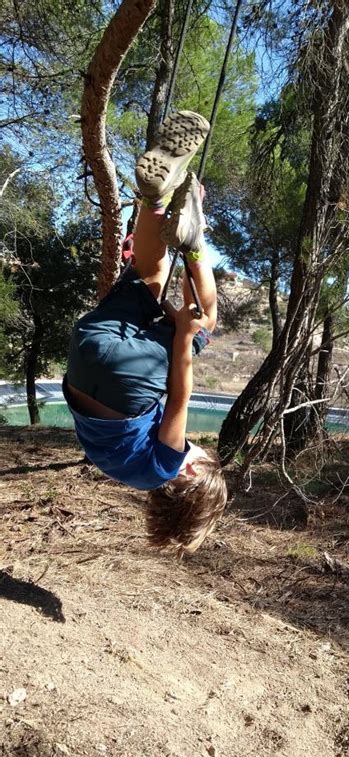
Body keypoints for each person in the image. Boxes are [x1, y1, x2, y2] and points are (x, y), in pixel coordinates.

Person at [63, 111, 227, 554]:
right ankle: (152, 199)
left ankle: (193, 241)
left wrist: (185, 335)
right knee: (149, 275)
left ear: (191, 474)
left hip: (126, 388)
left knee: (207, 319)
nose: (193, 448)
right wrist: (170, 321)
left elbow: (179, 398)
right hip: (84, 358)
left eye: (198, 453)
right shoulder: (126, 472)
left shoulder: (166, 464)